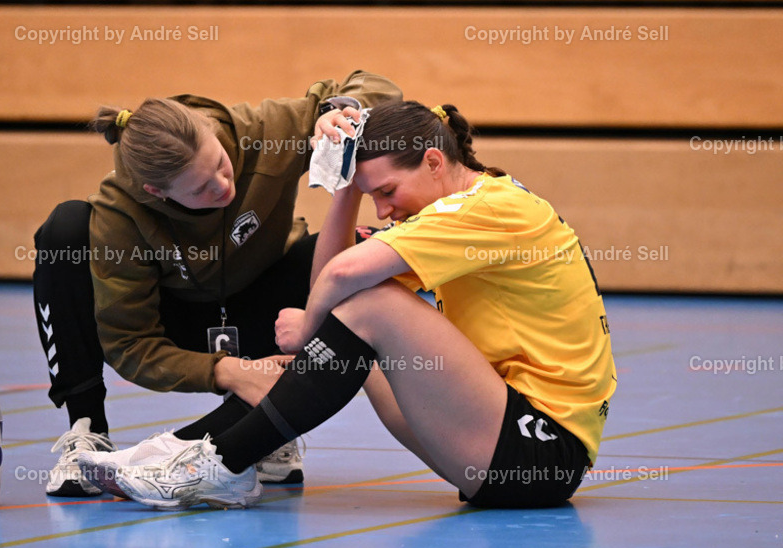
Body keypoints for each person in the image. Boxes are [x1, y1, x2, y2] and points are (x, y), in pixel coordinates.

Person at [98, 100, 618, 510]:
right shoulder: (461, 210)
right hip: (499, 440)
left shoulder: (489, 208)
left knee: (371, 304)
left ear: (435, 161)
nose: (385, 209)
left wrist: (309, 331)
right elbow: (331, 271)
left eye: (387, 189)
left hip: (540, 453)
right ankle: (190, 449)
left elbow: (344, 277)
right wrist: (344, 189)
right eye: (373, 195)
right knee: (359, 318)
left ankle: (220, 464)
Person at [33, 71, 402, 496]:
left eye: (222, 166)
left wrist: (337, 112)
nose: (224, 186)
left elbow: (379, 86)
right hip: (182, 324)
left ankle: (263, 429)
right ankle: (86, 431)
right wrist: (226, 371)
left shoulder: (262, 132)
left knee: (359, 253)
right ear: (157, 191)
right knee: (66, 230)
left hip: (264, 306)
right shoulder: (121, 216)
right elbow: (130, 344)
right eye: (203, 188)